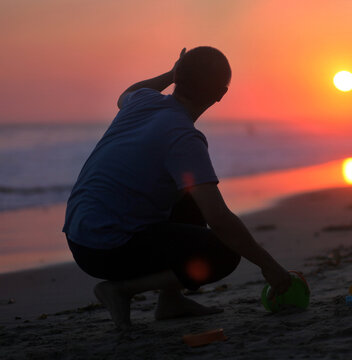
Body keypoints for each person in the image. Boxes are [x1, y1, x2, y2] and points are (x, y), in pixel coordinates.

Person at [63, 47, 292, 329]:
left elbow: (128, 92)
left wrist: (171, 74)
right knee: (223, 254)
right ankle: (120, 290)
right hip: (107, 249)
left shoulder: (143, 101)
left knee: (190, 194)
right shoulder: (184, 138)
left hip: (78, 236)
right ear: (221, 94)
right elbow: (218, 218)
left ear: (178, 79)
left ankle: (170, 302)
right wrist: (268, 265)